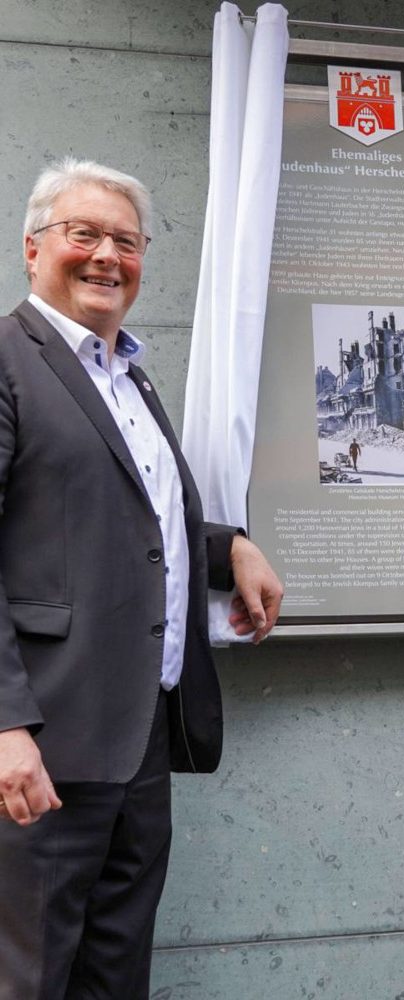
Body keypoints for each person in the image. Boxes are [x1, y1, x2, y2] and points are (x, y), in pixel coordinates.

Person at [0, 158, 283, 1000]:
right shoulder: (10, 360)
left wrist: (226, 545)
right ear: (32, 248)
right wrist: (5, 726)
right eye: (82, 234)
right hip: (44, 740)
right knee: (31, 978)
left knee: (115, 974)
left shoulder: (128, 373)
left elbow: (120, 515)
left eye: (125, 241)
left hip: (139, 740)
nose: (105, 256)